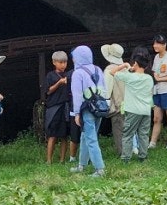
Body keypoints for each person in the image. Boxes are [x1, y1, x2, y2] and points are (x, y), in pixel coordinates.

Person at [69, 45, 107, 176]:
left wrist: (76, 113)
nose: (73, 60)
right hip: (99, 108)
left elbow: (77, 95)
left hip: (87, 109)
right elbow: (104, 89)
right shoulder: (98, 69)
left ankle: (99, 169)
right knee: (85, 136)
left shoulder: (77, 73)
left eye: (74, 57)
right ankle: (81, 165)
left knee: (91, 138)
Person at [115, 52, 154, 162]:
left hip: (132, 110)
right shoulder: (149, 78)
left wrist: (125, 66)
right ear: (146, 66)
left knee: (128, 134)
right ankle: (143, 156)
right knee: (144, 134)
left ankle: (125, 158)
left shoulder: (129, 77)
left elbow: (112, 72)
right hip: (146, 110)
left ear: (135, 63)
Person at [43, 51, 74, 164]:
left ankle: (62, 160)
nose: (63, 65)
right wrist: (59, 83)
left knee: (64, 135)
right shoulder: (50, 75)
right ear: (54, 62)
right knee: (52, 135)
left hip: (65, 107)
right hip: (54, 108)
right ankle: (49, 160)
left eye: (65, 62)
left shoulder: (68, 75)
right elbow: (48, 91)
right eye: (60, 62)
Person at [100, 43, 128, 158]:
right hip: (127, 103)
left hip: (116, 104)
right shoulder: (126, 69)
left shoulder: (109, 70)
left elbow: (106, 91)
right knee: (127, 128)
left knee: (118, 129)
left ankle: (123, 154)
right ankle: (130, 150)